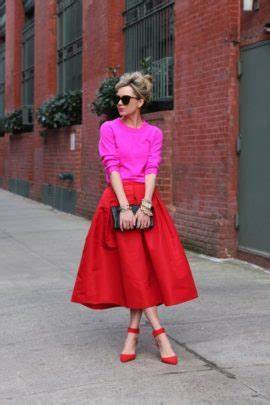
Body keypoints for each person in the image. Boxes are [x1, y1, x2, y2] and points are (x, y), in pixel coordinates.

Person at [70, 71, 199, 365]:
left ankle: (133, 331)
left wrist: (145, 206)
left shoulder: (154, 133)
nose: (119, 103)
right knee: (133, 267)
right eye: (118, 98)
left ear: (140, 102)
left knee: (143, 269)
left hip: (146, 202)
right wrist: (127, 208)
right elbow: (111, 167)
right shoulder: (109, 129)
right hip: (118, 203)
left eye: (126, 98)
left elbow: (153, 168)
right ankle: (159, 333)